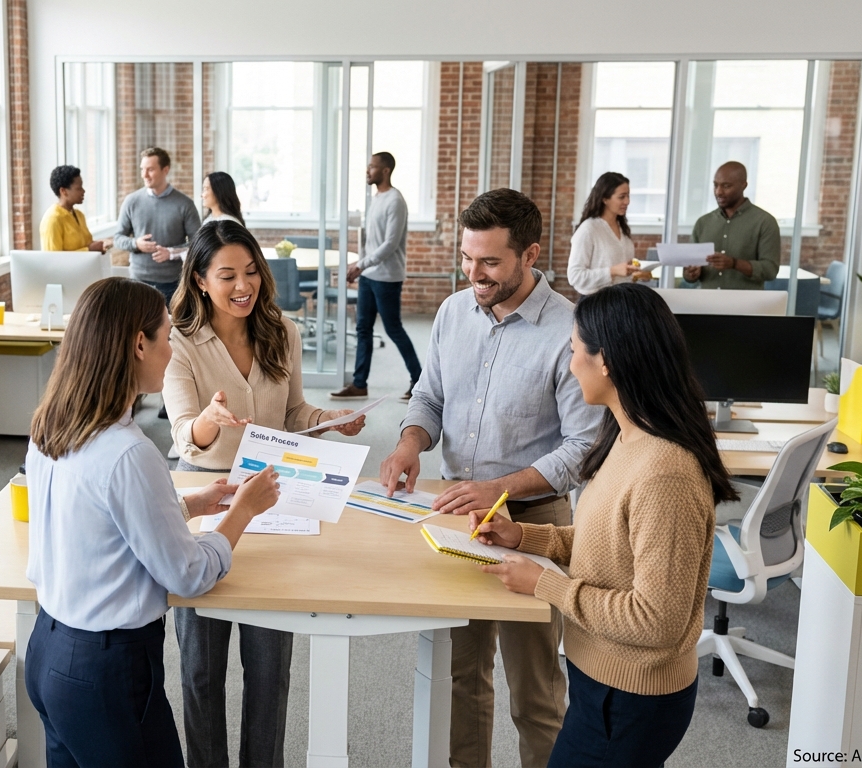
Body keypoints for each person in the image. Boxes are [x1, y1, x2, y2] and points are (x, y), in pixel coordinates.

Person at [378, 188, 603, 768]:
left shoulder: (570, 330)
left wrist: (500, 489)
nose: (473, 273)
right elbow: (429, 395)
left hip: (536, 524)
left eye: (489, 262)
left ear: (530, 255)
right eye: (466, 258)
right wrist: (409, 441)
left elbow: (584, 446)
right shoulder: (455, 313)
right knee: (463, 677)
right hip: (460, 519)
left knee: (536, 693)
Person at [474, 282, 736, 767]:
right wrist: (527, 537)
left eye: (575, 352)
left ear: (607, 361)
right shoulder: (629, 434)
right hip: (605, 682)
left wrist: (548, 586)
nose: (571, 365)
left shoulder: (665, 473)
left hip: (631, 696)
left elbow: (656, 621)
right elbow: (611, 544)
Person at [24, 276, 280, 767]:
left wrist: (190, 505)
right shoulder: (129, 453)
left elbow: (100, 524)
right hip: (108, 670)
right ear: (139, 345)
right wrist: (244, 510)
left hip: (50, 651)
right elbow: (188, 574)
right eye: (166, 336)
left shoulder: (52, 425)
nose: (171, 349)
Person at [163, 220, 364, 767]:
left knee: (270, 669)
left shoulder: (281, 330)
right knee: (201, 670)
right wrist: (208, 419)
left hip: (273, 496)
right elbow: (183, 432)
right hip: (207, 495)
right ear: (201, 280)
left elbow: (294, 413)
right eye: (226, 275)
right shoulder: (177, 340)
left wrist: (330, 419)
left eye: (251, 271)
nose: (243, 285)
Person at [331, 152, 423, 402]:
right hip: (369, 276)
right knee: (363, 329)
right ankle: (359, 384)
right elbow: (370, 240)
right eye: (368, 166)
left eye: (372, 167)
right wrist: (359, 264)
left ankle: (420, 381)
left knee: (393, 328)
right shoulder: (377, 198)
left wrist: (361, 265)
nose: (367, 171)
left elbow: (390, 244)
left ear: (385, 171)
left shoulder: (395, 201)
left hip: (387, 277)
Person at [114, 147, 202, 299]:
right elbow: (118, 238)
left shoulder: (185, 204)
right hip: (137, 282)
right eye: (142, 169)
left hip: (172, 284)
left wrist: (170, 253)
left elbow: (199, 243)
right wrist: (136, 244)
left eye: (150, 170)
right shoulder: (131, 201)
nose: (144, 175)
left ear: (165, 170)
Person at [683, 161, 780, 289]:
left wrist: (734, 264)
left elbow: (770, 270)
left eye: (726, 186)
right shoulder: (703, 223)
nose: (718, 192)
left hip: (745, 306)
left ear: (743, 185)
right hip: (705, 305)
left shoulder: (765, 222)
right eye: (715, 185)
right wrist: (690, 274)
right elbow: (689, 272)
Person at [566, 172, 650, 295]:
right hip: (596, 306)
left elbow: (620, 274)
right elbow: (575, 276)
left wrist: (636, 275)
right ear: (605, 199)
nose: (627, 201)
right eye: (622, 197)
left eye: (628, 196)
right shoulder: (589, 229)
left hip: (621, 302)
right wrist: (612, 271)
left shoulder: (623, 229)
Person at [39, 164, 109, 252]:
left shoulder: (79, 215)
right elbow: (53, 260)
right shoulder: (52, 220)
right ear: (63, 191)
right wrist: (89, 250)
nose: (83, 191)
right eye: (79, 188)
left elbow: (83, 245)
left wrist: (100, 245)